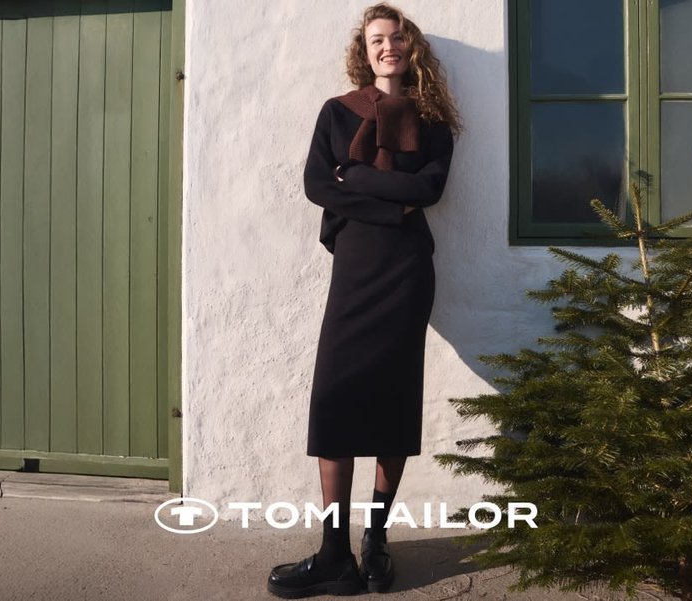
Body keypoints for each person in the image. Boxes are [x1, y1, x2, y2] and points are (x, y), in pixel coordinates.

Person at [267, 2, 461, 598]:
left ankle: (375, 542)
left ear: (410, 47)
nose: (388, 46)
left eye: (397, 37)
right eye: (377, 39)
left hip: (407, 273)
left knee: (393, 404)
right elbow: (317, 184)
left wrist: (355, 178)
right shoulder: (338, 111)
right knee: (334, 401)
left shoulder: (433, 121)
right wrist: (394, 202)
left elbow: (429, 188)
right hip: (355, 270)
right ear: (365, 50)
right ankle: (335, 554)